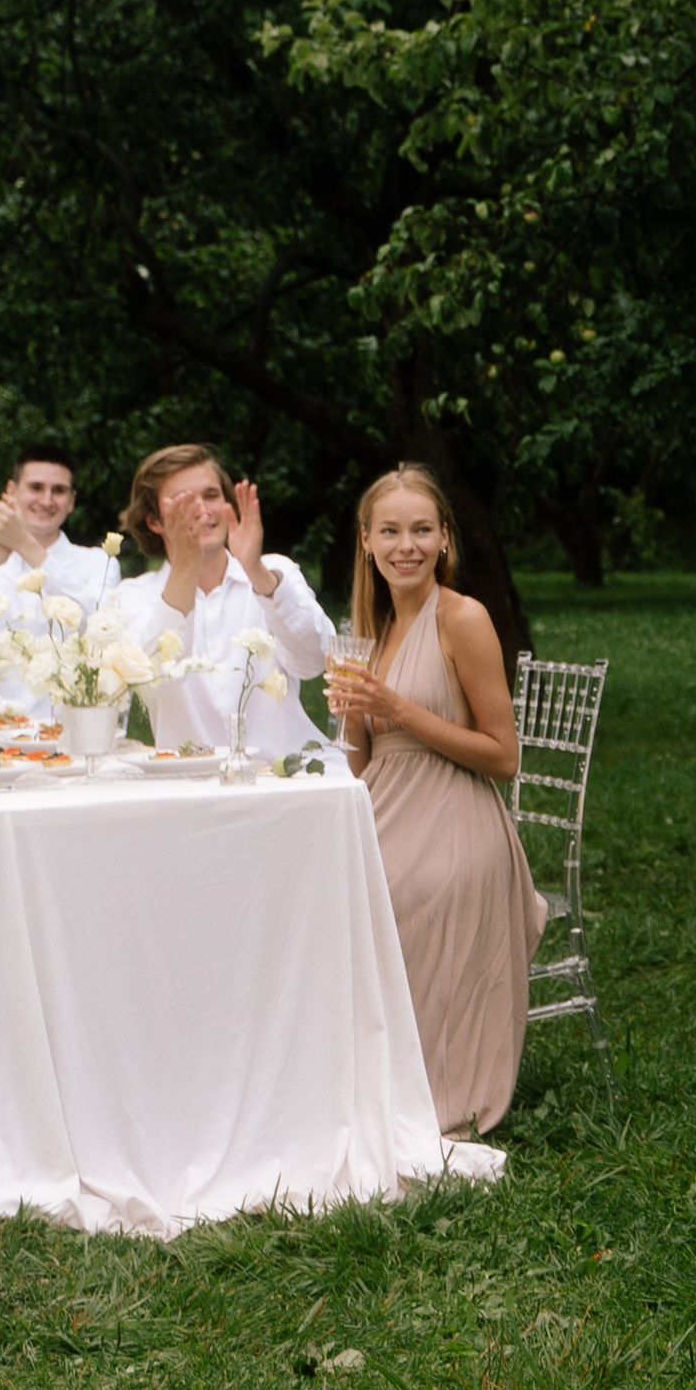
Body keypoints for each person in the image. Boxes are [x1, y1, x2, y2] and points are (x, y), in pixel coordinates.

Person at [323, 464, 546, 1140]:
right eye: (390, 532)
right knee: (320, 898)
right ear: (366, 541)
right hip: (385, 811)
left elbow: (503, 757)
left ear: (445, 537)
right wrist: (353, 716)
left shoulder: (463, 618)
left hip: (456, 823)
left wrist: (395, 707)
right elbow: (363, 764)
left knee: (393, 896)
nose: (407, 546)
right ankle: (349, 1086)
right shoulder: (375, 627)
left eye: (421, 530)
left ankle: (432, 1091)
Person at [104, 445, 332, 753]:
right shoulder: (134, 596)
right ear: (154, 521)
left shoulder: (275, 572)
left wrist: (256, 572)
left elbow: (314, 662)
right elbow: (155, 680)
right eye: (183, 501)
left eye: (211, 495)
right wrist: (186, 563)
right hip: (190, 776)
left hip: (284, 771)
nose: (202, 509)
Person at [0, 447, 118, 711]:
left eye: (58, 490)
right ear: (12, 491)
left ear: (71, 501)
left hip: (69, 723)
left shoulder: (98, 563)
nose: (47, 500)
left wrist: (25, 544)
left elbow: (99, 629)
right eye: (36, 487)